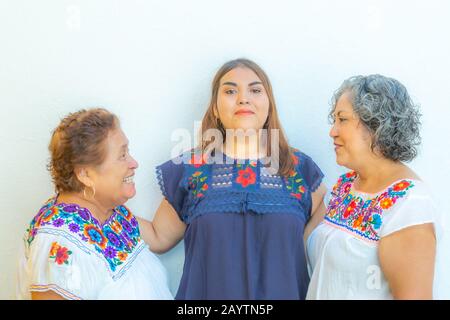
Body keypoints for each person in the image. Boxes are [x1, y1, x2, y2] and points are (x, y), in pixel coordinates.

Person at [137, 58, 327, 299]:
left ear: (269, 104)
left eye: (255, 90)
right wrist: (96, 201)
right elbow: (157, 236)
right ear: (215, 108)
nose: (243, 98)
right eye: (230, 91)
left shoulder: (300, 169)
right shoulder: (190, 169)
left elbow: (324, 245)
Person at [306, 74, 439, 299]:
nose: (332, 131)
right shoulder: (345, 186)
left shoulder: (409, 205)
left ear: (376, 125)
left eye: (343, 119)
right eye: (334, 119)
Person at [17, 108, 173, 300]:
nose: (134, 163)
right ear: (85, 175)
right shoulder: (59, 243)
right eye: (122, 155)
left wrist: (200, 171)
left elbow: (160, 236)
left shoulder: (111, 214)